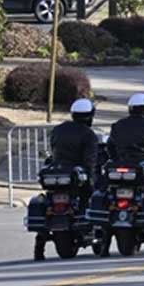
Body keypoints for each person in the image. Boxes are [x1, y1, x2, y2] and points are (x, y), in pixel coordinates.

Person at [36, 98, 100, 261]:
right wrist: (92, 179)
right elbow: (90, 161)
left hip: (57, 174)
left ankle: (39, 246)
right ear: (90, 116)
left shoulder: (58, 130)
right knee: (93, 195)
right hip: (75, 176)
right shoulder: (89, 135)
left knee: (48, 200)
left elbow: (54, 152)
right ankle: (92, 224)